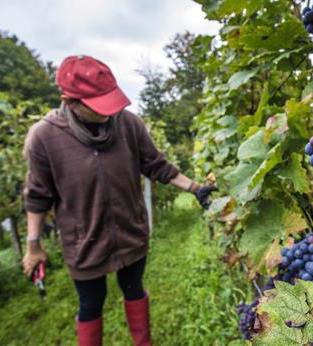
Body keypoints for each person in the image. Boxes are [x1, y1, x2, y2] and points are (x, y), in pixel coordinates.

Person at [21, 55, 217, 346]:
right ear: (71, 101)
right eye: (99, 106)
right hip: (83, 241)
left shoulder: (127, 124)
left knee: (134, 288)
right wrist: (33, 246)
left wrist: (195, 188)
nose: (110, 112)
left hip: (130, 231)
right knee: (91, 304)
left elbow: (156, 165)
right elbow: (38, 196)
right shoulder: (44, 137)